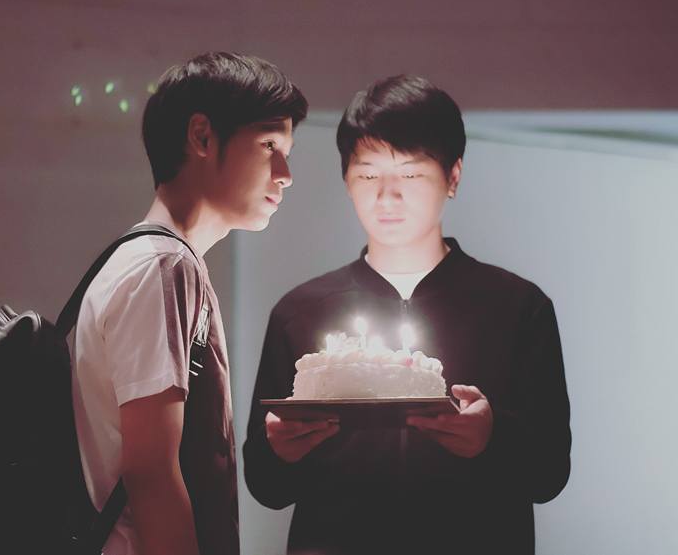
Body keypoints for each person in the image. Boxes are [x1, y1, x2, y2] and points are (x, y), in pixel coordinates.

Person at [243, 75, 571, 554]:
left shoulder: (518, 308)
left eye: (411, 175)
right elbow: (264, 485)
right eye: (368, 175)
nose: (387, 196)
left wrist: (491, 436)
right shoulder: (300, 312)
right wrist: (279, 450)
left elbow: (550, 473)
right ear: (346, 179)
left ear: (453, 176)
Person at [71, 52, 307, 555]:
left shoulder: (155, 258)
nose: (285, 173)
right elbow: (152, 473)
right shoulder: (163, 265)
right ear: (202, 137)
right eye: (269, 145)